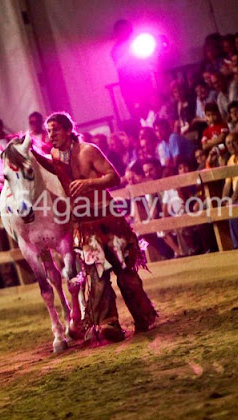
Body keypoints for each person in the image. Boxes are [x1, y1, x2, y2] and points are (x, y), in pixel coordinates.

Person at [32, 112, 157, 342]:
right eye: (49, 131)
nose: (51, 135)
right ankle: (109, 323)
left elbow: (114, 177)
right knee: (97, 275)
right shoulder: (56, 155)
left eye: (56, 130)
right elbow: (51, 166)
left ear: (68, 130)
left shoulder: (88, 151)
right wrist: (30, 153)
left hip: (109, 220)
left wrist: (89, 183)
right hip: (84, 226)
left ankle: (143, 316)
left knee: (125, 271)